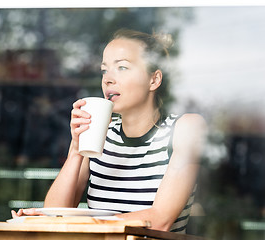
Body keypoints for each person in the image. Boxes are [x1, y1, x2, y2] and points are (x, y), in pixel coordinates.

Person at [11, 29, 207, 233]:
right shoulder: (99, 134)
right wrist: (76, 150)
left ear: (154, 80)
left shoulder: (186, 128)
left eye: (122, 67)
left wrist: (81, 223)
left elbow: (159, 220)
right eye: (105, 70)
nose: (108, 79)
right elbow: (54, 215)